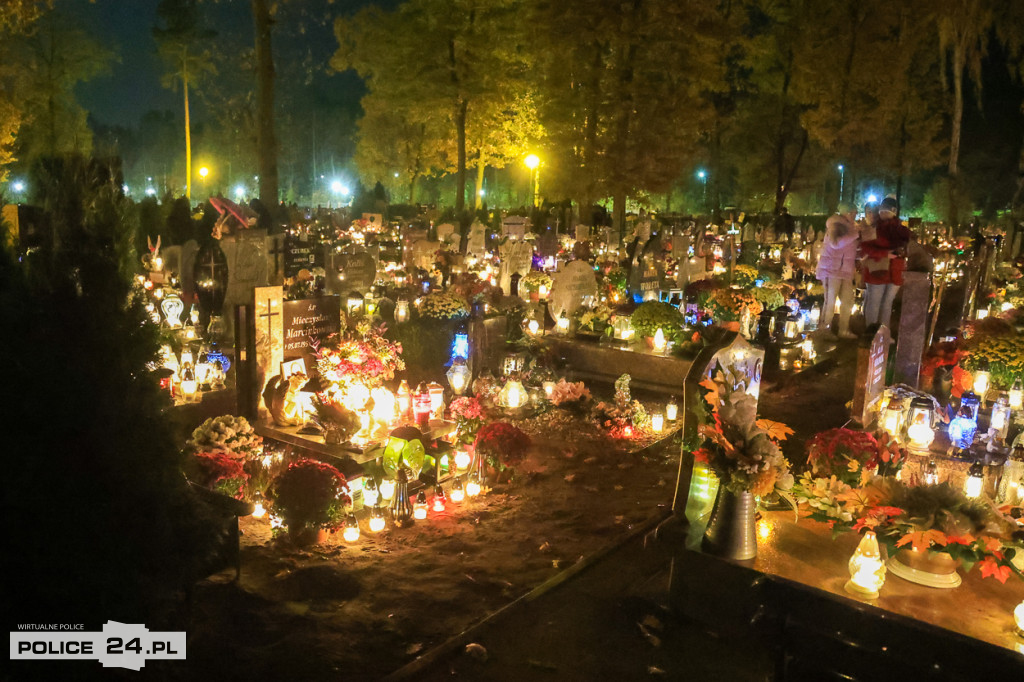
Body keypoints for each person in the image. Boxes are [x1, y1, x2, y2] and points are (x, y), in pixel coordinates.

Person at [861, 195, 911, 331]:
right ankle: (871, 334)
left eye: (887, 210)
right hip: (878, 269)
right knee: (875, 303)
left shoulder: (901, 229)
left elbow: (909, 245)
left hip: (895, 269)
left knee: (887, 303)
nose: (884, 213)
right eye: (882, 210)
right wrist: (886, 253)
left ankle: (883, 334)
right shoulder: (873, 227)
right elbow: (866, 247)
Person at [816, 202, 861, 338]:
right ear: (845, 212)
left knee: (847, 301)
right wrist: (855, 235)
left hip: (845, 271)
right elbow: (835, 244)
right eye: (852, 212)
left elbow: (851, 248)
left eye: (855, 212)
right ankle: (824, 329)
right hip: (831, 269)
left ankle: (843, 329)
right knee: (830, 301)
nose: (854, 215)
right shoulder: (835, 225)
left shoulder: (852, 228)